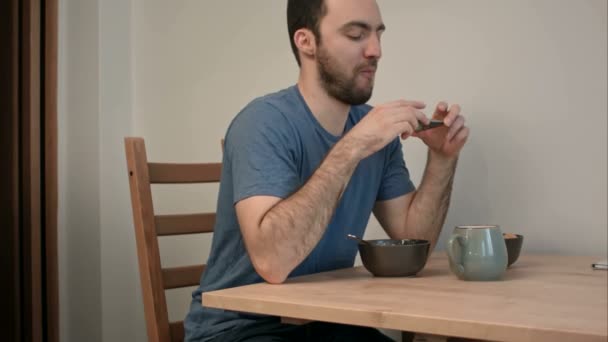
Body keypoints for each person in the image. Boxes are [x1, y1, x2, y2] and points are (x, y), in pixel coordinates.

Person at [184, 0, 469, 341]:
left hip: (324, 325)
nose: (375, 50)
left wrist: (442, 158)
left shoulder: (373, 130)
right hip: (240, 329)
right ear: (306, 41)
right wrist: (353, 146)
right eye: (355, 34)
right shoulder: (262, 123)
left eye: (378, 34)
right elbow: (273, 264)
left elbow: (414, 242)